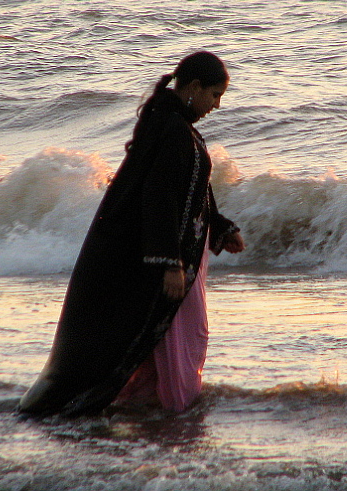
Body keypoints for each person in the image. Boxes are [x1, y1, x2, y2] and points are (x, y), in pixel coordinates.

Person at [18, 51, 245, 417]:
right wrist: (169, 263)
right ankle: (170, 410)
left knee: (165, 339)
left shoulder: (174, 126)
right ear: (194, 87)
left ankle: (152, 404)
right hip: (160, 260)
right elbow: (158, 197)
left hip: (163, 256)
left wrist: (218, 227)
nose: (217, 106)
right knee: (169, 337)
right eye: (215, 95)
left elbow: (190, 187)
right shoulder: (172, 129)